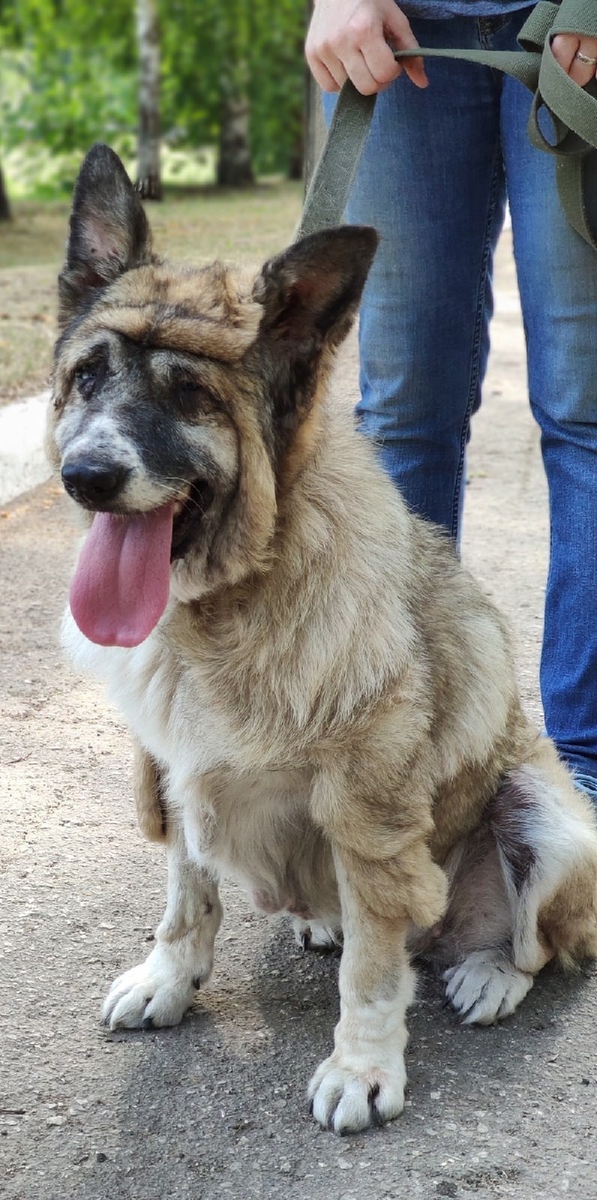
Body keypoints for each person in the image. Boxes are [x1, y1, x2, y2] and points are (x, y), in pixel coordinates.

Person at [305, 0, 597, 802]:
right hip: (395, 25)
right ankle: (397, 767)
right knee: (401, 414)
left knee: (588, 413)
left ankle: (585, 781)